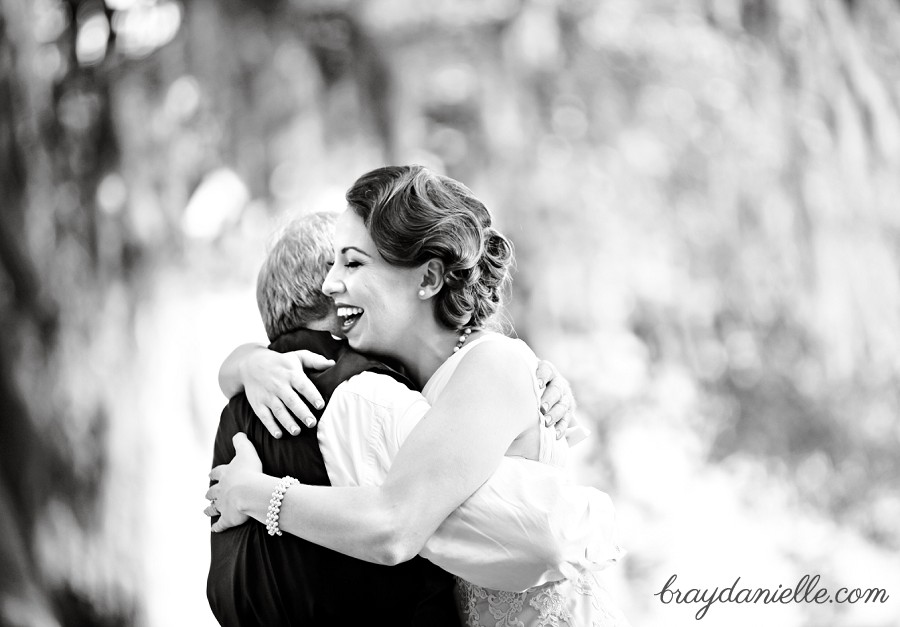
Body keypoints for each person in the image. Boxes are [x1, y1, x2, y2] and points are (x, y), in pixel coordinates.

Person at [207, 165, 629, 626]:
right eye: (331, 264)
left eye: (352, 262)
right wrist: (248, 361)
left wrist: (252, 493)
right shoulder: (414, 389)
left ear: (427, 279)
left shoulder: (490, 366)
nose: (328, 285)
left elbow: (394, 527)